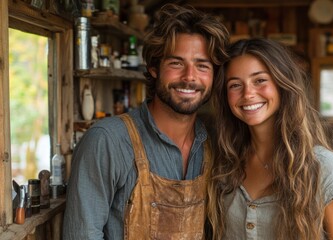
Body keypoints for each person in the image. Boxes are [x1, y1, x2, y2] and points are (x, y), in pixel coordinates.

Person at [63, 4, 229, 239]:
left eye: (202, 65)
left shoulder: (215, 142)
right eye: (176, 63)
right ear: (153, 68)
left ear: (214, 76)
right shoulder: (108, 141)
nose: (190, 76)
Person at [207, 38, 333, 240]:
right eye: (235, 85)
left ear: (282, 83)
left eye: (259, 80)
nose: (248, 94)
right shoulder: (224, 163)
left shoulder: (322, 166)